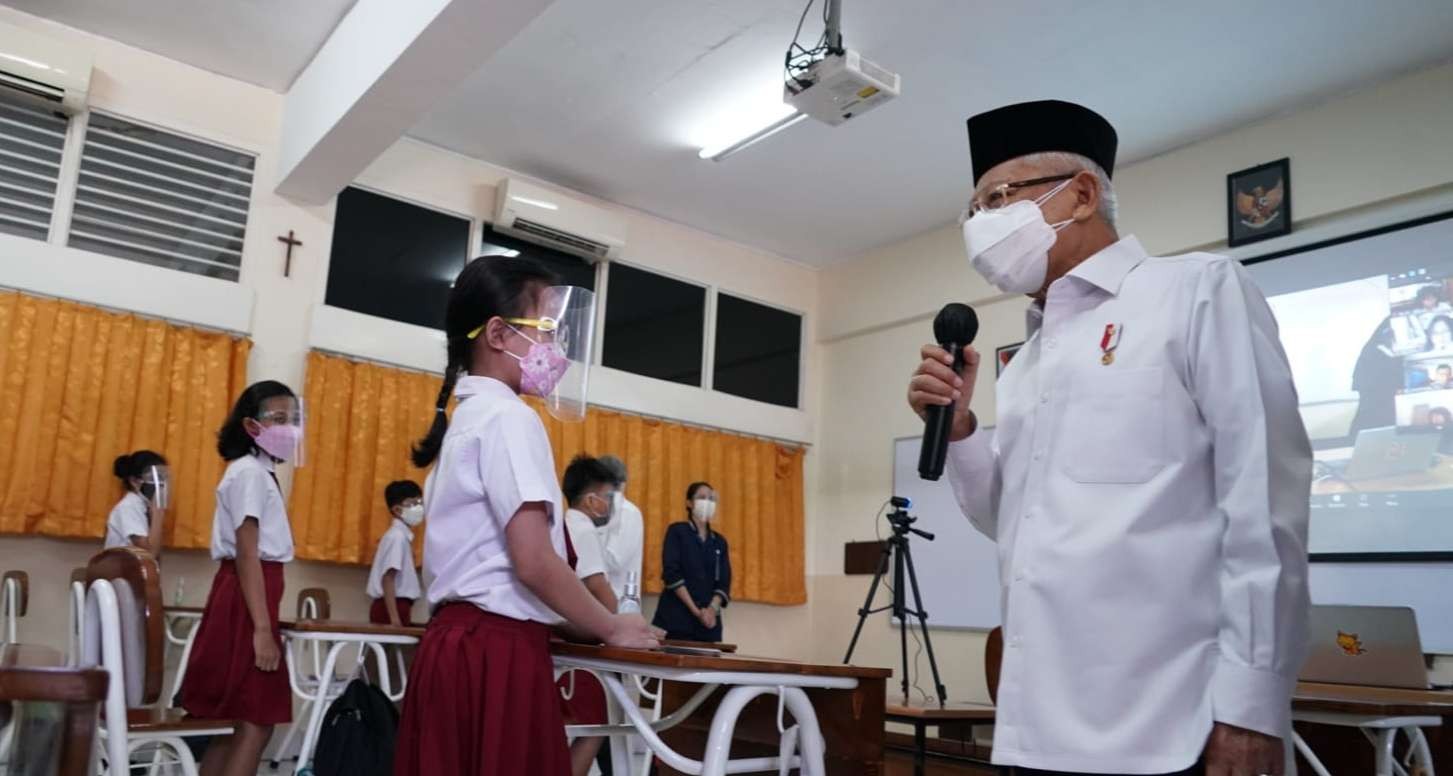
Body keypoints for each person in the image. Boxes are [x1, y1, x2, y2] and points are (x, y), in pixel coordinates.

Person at [907, 100, 1310, 775]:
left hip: (1171, 725)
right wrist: (962, 431)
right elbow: (1013, 521)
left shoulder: (1195, 292)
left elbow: (1263, 505)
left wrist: (1250, 706)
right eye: (973, 212)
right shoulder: (1027, 359)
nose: (982, 226)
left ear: (1083, 193)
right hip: (1034, 724)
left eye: (998, 198)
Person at [394, 256, 657, 776]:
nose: (556, 351)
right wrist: (610, 627)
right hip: (495, 652)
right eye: (547, 332)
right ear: (496, 333)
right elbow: (532, 561)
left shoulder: (469, 417)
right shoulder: (510, 418)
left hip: (454, 645)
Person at [179, 380, 301, 776]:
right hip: (247, 599)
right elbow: (247, 552)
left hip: (247, 595)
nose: (290, 428)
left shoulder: (258, 473)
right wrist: (262, 629)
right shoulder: (248, 473)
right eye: (279, 419)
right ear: (252, 426)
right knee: (255, 720)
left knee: (234, 722)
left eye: (294, 419)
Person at [558, 454, 619, 776]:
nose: (609, 504)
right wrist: (622, 623)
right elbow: (597, 585)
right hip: (579, 646)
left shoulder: (560, 522)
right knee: (594, 725)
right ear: (590, 499)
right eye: (608, 497)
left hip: (559, 642)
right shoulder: (582, 528)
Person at [651, 482, 731, 643]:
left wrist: (710, 610)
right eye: (702, 497)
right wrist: (696, 611)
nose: (707, 502)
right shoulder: (677, 532)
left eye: (711, 498)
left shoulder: (719, 542)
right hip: (676, 619)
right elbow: (671, 573)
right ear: (689, 503)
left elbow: (724, 582)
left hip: (708, 625)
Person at [367, 480, 424, 626]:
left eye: (420, 502)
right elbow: (388, 578)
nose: (418, 508)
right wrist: (394, 619)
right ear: (397, 510)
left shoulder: (400, 536)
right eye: (412, 503)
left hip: (398, 607)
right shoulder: (397, 537)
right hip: (392, 609)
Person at [596, 455, 644, 601]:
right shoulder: (598, 510)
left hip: (618, 601)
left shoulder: (628, 513)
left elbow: (614, 561)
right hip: (596, 601)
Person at [103, 449, 168, 555]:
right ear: (134, 481)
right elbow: (148, 554)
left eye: (163, 478)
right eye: (154, 478)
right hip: (120, 570)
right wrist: (158, 513)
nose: (160, 484)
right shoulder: (128, 507)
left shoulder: (145, 506)